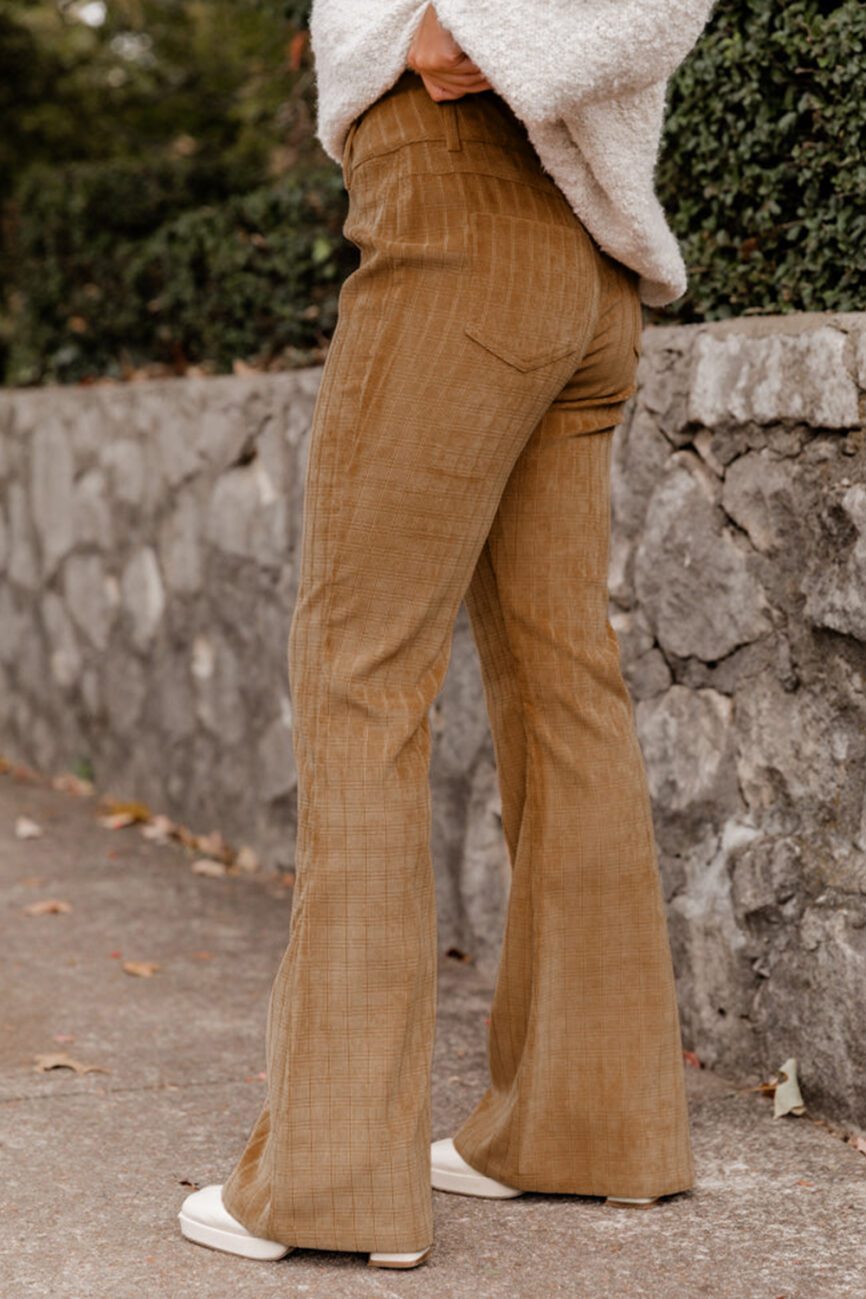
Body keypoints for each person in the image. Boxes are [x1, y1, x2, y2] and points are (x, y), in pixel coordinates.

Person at [178, 0, 716, 1271]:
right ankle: (585, 1126)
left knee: (359, 677)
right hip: (585, 273)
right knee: (562, 689)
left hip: (456, 227)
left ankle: (325, 1183)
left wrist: (444, 28)